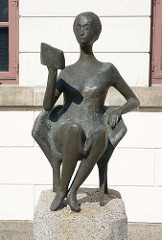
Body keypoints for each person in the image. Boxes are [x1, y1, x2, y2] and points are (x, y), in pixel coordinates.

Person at [33, 12, 140, 212]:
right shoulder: (67, 72)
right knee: (74, 130)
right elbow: (47, 105)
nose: (82, 32)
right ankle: (62, 191)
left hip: (92, 132)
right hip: (64, 132)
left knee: (101, 134)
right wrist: (52, 72)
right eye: (78, 27)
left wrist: (119, 110)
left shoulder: (107, 70)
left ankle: (73, 191)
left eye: (87, 27)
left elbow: (134, 100)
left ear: (97, 33)